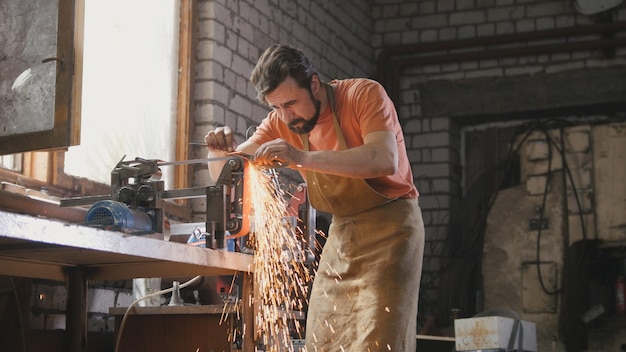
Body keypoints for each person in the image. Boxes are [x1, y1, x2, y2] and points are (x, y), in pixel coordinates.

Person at [205, 44, 425, 352]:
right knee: (324, 337)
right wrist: (216, 154)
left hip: (392, 226)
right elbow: (230, 171)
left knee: (378, 338)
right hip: (343, 233)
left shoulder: (363, 95)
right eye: (277, 107)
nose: (286, 116)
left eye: (291, 104)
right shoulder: (279, 121)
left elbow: (383, 158)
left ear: (314, 84)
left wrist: (300, 157)